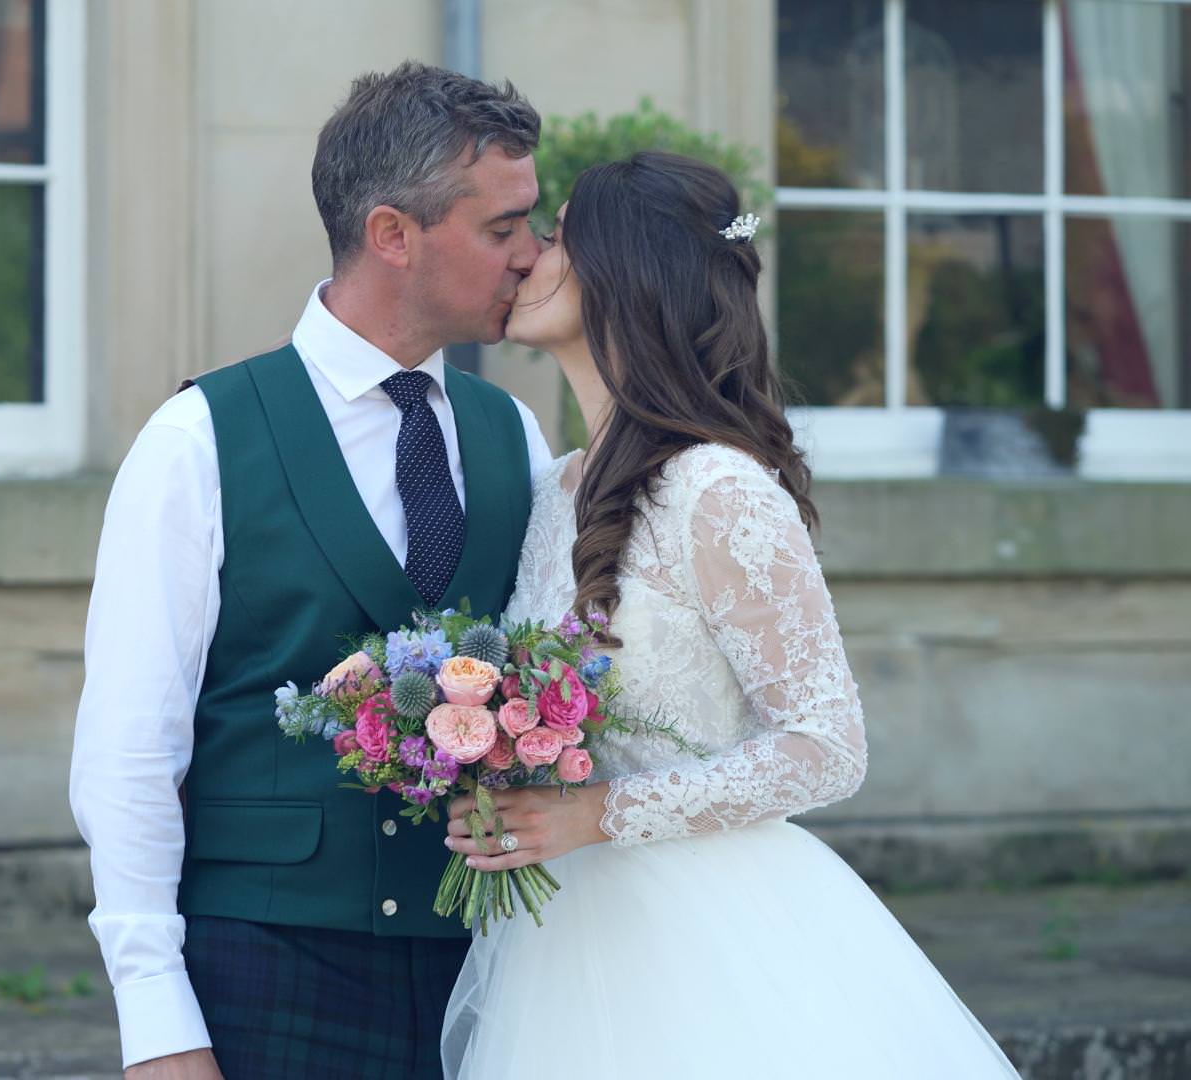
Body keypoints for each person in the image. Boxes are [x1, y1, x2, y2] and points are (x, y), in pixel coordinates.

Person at [438, 150, 1020, 1077]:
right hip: (569, 944)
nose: (528, 259)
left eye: (556, 238)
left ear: (625, 273)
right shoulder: (555, 491)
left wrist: (601, 814)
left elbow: (827, 744)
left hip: (709, 937)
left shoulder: (717, 489)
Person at [68, 62, 556, 1079]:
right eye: (501, 230)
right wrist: (158, 1027)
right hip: (267, 972)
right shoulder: (196, 440)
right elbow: (127, 751)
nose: (532, 256)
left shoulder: (512, 431)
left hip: (491, 973)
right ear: (393, 235)